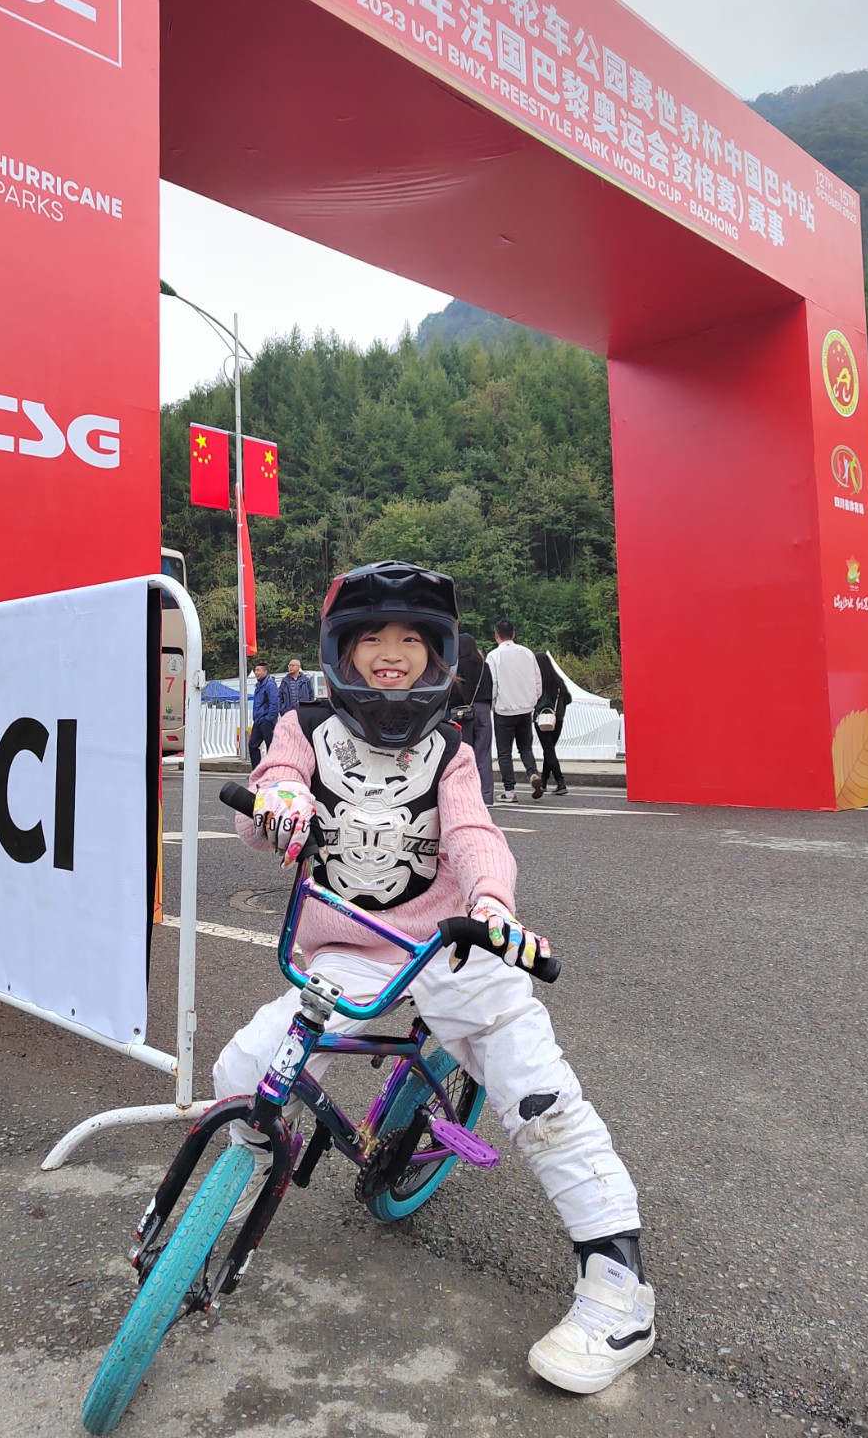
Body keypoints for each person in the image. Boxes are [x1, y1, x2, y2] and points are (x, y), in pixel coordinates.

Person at [215, 562, 655, 1396]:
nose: (392, 653)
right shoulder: (303, 727)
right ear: (341, 650)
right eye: (372, 637)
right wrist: (278, 807)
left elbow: (474, 833)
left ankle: (617, 1280)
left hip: (451, 945)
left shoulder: (452, 748)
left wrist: (492, 902)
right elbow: (272, 792)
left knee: (538, 1094)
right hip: (345, 951)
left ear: (438, 653)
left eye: (411, 639)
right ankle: (232, 1186)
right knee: (244, 1069)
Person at [487, 619, 542, 804]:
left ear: (496, 635)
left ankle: (510, 791)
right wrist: (533, 700)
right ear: (513, 634)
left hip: (504, 710)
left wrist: (492, 704)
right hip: (525, 708)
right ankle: (533, 773)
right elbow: (537, 680)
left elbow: (493, 683)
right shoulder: (527, 653)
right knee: (525, 747)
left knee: (504, 753)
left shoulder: (494, 656)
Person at [452, 627, 494, 806]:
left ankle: (468, 793)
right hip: (483, 710)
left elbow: (454, 691)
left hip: (463, 712)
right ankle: (486, 796)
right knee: (483, 753)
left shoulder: (457, 666)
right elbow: (491, 688)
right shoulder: (484, 666)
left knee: (465, 753)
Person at [532, 651, 572, 798]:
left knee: (548, 750)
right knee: (549, 750)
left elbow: (532, 700)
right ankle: (543, 781)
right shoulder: (558, 681)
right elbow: (568, 699)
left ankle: (560, 782)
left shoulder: (537, 682)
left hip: (541, 720)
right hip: (557, 719)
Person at [248, 660, 279, 769]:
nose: (256, 673)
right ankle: (257, 771)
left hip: (266, 720)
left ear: (265, 672)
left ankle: (274, 770)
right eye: (255, 670)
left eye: (258, 670)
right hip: (258, 720)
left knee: (271, 746)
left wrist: (270, 719)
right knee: (252, 745)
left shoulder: (270, 685)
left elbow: (274, 702)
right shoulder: (258, 686)